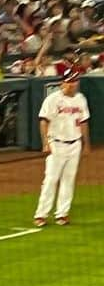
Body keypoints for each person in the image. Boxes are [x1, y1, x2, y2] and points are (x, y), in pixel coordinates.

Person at [34, 63, 90, 227]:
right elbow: (43, 121)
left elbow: (84, 122)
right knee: (51, 179)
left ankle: (62, 214)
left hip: (75, 144)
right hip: (56, 143)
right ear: (63, 82)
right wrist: (45, 143)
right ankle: (41, 214)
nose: (74, 84)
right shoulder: (53, 100)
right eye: (71, 81)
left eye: (76, 80)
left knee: (69, 180)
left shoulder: (81, 99)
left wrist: (86, 144)